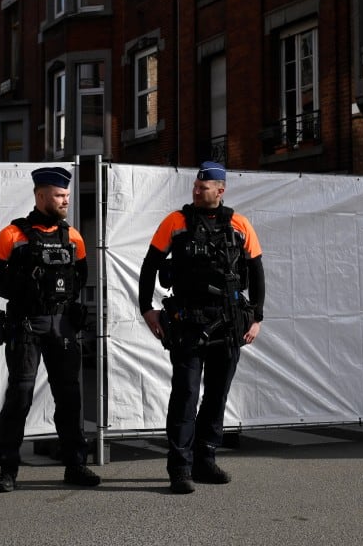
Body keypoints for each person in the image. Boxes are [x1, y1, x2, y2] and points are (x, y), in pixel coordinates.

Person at [139, 161, 265, 494]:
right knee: (186, 394)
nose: (196, 191)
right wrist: (146, 309)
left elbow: (257, 270)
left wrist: (257, 317)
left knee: (217, 395)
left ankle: (205, 460)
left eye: (203, 188)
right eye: (195, 187)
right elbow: (150, 264)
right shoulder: (175, 221)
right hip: (188, 322)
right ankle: (179, 467)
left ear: (220, 190)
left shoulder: (239, 224)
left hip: (228, 322)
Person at [0, 166, 100, 492]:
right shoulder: (12, 234)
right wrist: (22, 290)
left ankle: (76, 465)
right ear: (41, 195)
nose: (65, 201)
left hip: (62, 326)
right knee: (19, 396)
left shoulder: (72, 236)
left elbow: (80, 276)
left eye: (67, 196)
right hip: (27, 325)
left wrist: (69, 305)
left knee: (69, 397)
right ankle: (7, 470)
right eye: (60, 196)